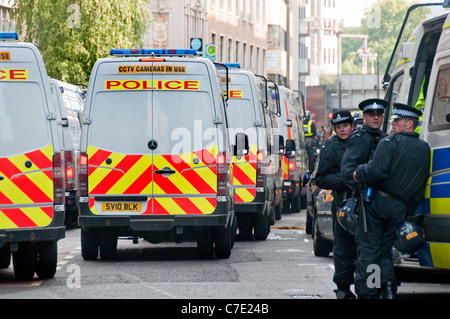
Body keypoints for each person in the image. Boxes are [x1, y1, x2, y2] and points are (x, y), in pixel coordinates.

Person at [353, 103, 431, 299]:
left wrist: (358, 172)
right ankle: (388, 289)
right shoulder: (424, 148)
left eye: (397, 121)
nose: (393, 124)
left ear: (409, 124)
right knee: (385, 250)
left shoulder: (390, 142)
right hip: (401, 208)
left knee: (370, 250)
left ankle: (369, 293)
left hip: (379, 204)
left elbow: (375, 172)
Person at [314, 110, 355, 299]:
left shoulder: (361, 141)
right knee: (342, 248)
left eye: (345, 126)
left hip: (364, 202)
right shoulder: (330, 147)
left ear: (352, 126)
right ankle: (343, 288)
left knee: (366, 247)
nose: (342, 130)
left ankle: (368, 286)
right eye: (338, 127)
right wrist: (344, 180)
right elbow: (321, 178)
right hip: (341, 202)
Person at [341, 98, 387, 191]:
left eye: (379, 114)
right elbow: (348, 172)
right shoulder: (359, 138)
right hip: (366, 196)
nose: (376, 118)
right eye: (371, 115)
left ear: (382, 117)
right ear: (364, 117)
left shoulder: (385, 138)